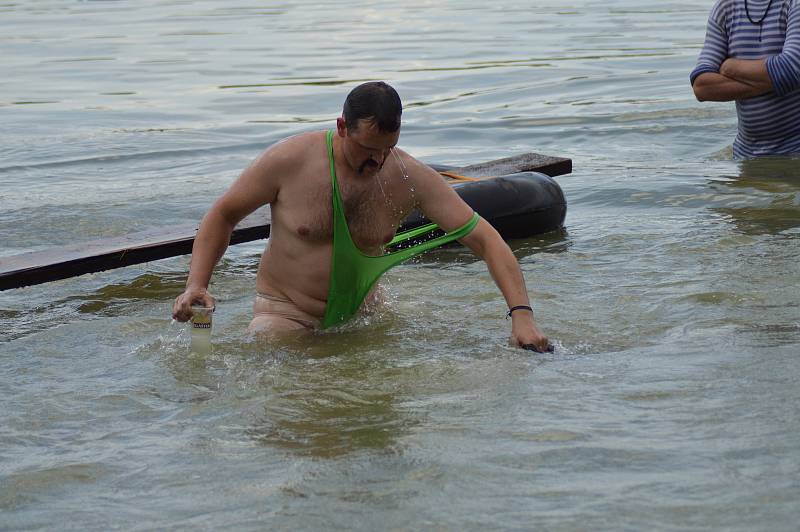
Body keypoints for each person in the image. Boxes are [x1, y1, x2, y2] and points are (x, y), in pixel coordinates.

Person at [172, 81, 550, 352]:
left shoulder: (407, 176)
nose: (378, 161)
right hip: (286, 316)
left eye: (389, 149)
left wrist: (522, 316)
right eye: (368, 148)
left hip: (366, 318)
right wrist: (196, 285)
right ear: (341, 127)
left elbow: (486, 240)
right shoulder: (289, 161)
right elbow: (223, 215)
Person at [690, 0, 800, 158]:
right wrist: (773, 80)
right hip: (745, 156)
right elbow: (702, 87)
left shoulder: (794, 4)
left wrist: (731, 67)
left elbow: (791, 68)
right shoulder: (725, 8)